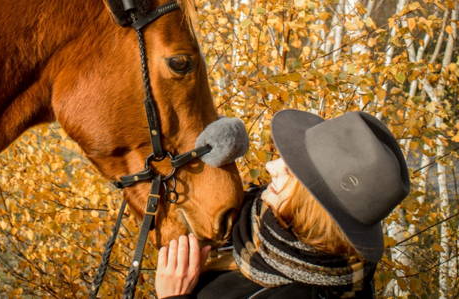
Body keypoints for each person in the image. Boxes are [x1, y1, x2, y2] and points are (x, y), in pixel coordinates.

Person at [155, 110, 410, 298]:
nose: (270, 166)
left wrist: (172, 296)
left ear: (313, 206)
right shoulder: (256, 217)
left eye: (290, 171)